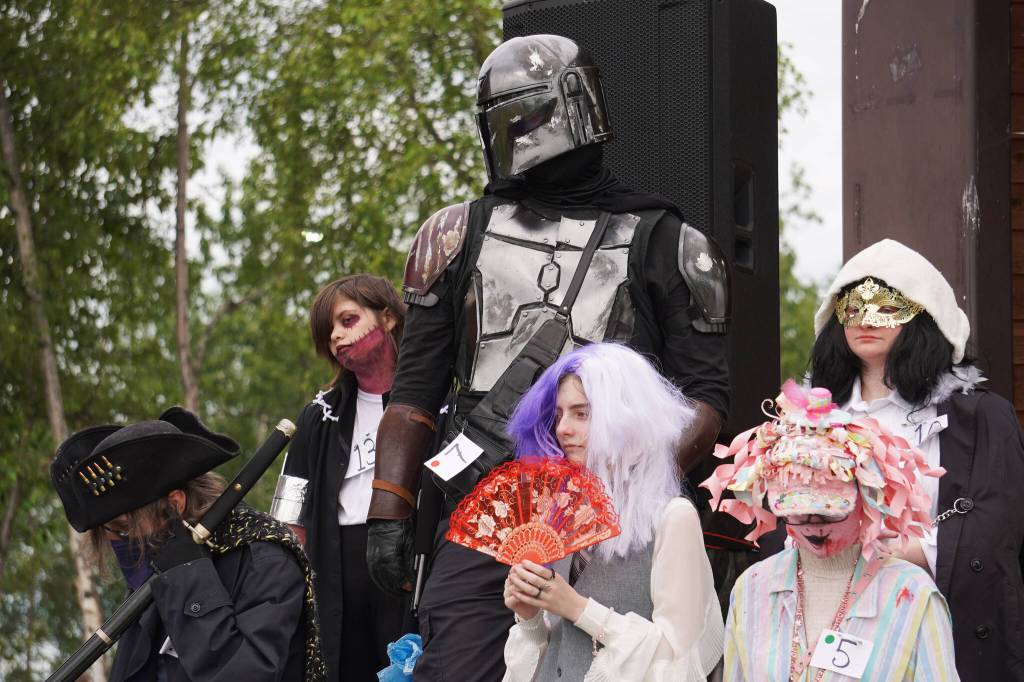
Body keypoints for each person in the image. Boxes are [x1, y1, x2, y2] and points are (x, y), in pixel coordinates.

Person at [365, 34, 731, 682]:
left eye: (532, 113)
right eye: (509, 118)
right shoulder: (452, 236)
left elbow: (703, 401)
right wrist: (389, 506)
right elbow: (415, 390)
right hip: (484, 508)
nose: (523, 132)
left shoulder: (669, 243)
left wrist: (627, 489)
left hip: (615, 518)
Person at [809, 238, 1024, 681]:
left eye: (888, 307)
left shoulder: (982, 418)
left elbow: (995, 528)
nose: (866, 319)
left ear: (924, 316)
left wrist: (898, 552)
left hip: (942, 624)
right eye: (852, 306)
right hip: (832, 619)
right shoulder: (811, 420)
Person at [704, 382, 959, 681]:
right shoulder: (753, 588)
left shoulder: (914, 594)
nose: (814, 524)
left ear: (866, 496)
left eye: (830, 509)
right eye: (795, 511)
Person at [500, 343, 724, 681]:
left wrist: (577, 608)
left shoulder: (672, 518)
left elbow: (679, 658)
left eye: (582, 413)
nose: (562, 429)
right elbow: (554, 654)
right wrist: (530, 618)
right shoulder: (559, 516)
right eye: (559, 414)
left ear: (626, 418)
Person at [50, 407, 324, 681]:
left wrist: (189, 580)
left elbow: (245, 674)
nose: (116, 542)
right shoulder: (160, 562)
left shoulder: (267, 563)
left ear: (175, 505)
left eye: (123, 529)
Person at [270, 274, 409, 681]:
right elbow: (288, 520)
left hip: (411, 562)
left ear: (387, 318)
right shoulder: (319, 415)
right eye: (328, 330)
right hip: (337, 566)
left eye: (347, 321)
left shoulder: (433, 401)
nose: (335, 336)